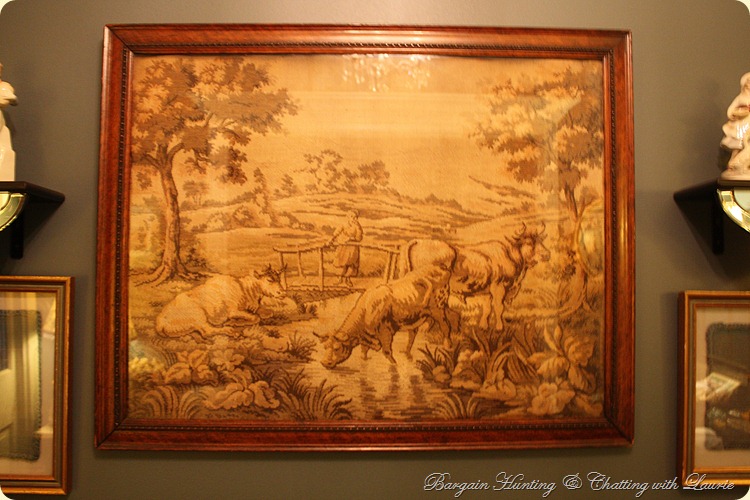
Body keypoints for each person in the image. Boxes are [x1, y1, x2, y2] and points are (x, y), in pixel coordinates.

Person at [721, 72, 750, 180]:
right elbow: (731, 110)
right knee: (738, 145)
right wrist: (736, 113)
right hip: (741, 125)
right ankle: (733, 165)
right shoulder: (741, 97)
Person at [327, 210, 363, 287]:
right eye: (352, 217)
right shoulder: (343, 224)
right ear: (348, 217)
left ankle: (347, 279)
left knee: (351, 264)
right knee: (342, 263)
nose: (354, 219)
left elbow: (359, 238)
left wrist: (357, 230)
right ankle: (339, 279)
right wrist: (331, 239)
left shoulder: (357, 226)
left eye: (355, 217)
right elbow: (337, 232)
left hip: (353, 248)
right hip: (343, 247)